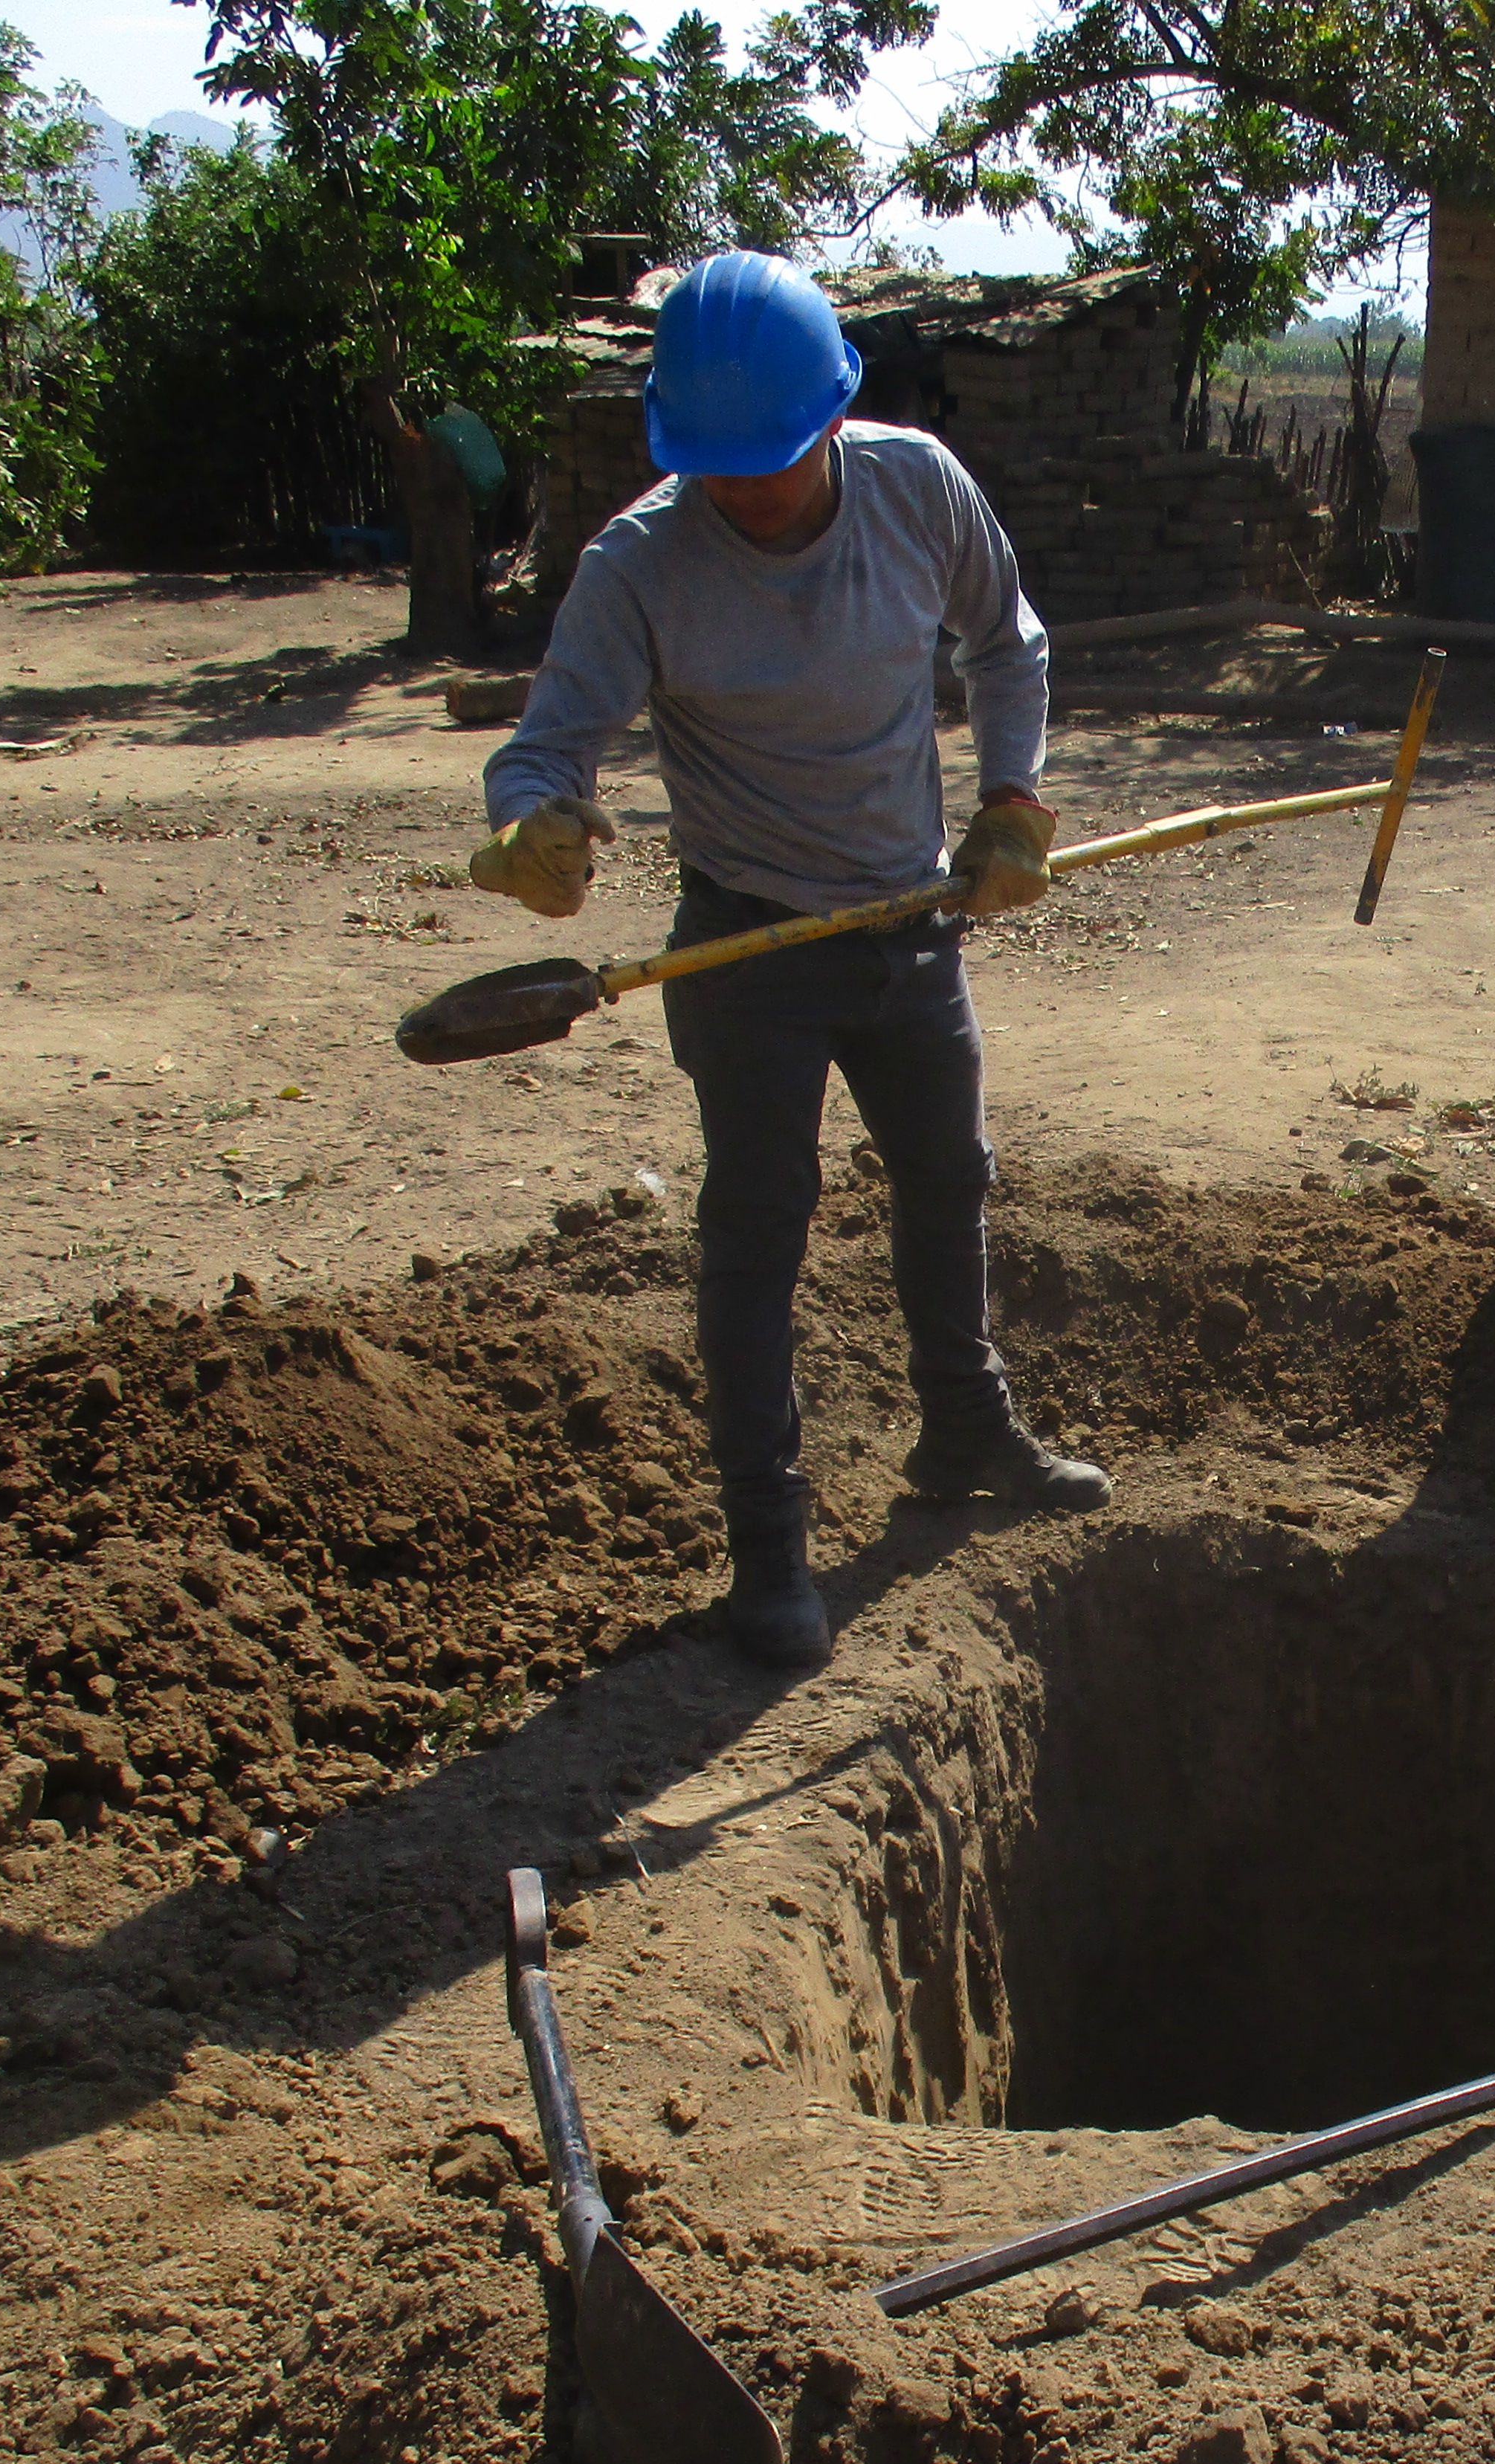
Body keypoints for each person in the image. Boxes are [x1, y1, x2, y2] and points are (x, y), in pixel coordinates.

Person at [474, 250, 1105, 1673]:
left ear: (835, 415)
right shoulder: (640, 563)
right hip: (749, 942)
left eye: (770, 460)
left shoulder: (916, 488)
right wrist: (533, 825)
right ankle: (768, 1545)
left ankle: (964, 1427)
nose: (746, 494)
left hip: (909, 920)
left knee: (949, 1176)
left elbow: (1007, 644)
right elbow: (545, 744)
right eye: (718, 469)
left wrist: (1010, 801)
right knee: (759, 1229)